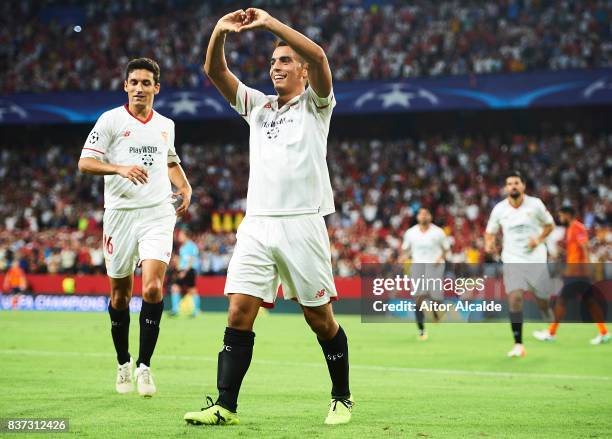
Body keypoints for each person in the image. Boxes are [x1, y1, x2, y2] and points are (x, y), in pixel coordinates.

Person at [184, 8, 352, 426]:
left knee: (319, 319)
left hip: (302, 222)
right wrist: (220, 32)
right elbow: (214, 70)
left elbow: (320, 57)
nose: (276, 66)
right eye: (273, 61)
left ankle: (341, 398)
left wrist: (269, 22)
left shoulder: (317, 105)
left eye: (285, 61)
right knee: (239, 312)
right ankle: (225, 405)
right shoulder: (257, 107)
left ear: (303, 72)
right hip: (257, 223)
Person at [78, 58, 192, 397]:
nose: (139, 88)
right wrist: (119, 168)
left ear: (157, 87)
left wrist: (185, 187)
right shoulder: (110, 120)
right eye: (134, 82)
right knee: (120, 295)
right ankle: (122, 363)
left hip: (157, 213)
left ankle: (144, 366)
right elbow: (85, 162)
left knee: (154, 289)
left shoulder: (165, 125)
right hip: (120, 215)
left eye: (146, 83)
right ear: (125, 86)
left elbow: (169, 160)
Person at [484, 171, 554, 358]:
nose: (513, 186)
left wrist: (538, 240)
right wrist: (489, 243)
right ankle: (518, 344)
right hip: (512, 259)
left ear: (523, 186)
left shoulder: (536, 205)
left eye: (516, 183)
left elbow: (550, 225)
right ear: (506, 188)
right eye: (509, 183)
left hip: (535, 259)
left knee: (542, 300)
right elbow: (490, 232)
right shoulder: (499, 209)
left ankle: (549, 320)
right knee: (514, 298)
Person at [533, 206, 609, 345]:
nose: (560, 218)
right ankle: (604, 332)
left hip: (577, 273)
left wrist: (586, 267)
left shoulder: (577, 227)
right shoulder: (571, 229)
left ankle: (551, 333)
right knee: (590, 302)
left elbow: (584, 246)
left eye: (561, 215)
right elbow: (575, 250)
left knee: (561, 301)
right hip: (576, 273)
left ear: (568, 215)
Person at [400, 207, 450, 340]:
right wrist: (404, 257)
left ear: (430, 217)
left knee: (436, 298)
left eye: (426, 214)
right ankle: (422, 331)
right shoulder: (411, 233)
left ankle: (435, 313)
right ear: (417, 217)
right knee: (418, 298)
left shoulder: (438, 232)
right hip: (418, 267)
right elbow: (406, 249)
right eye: (421, 214)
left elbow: (446, 248)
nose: (423, 216)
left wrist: (440, 257)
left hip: (435, 267)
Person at [170, 228, 201, 317]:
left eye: (181, 235)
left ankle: (196, 311)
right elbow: (182, 260)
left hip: (190, 270)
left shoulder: (192, 246)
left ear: (186, 236)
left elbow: (192, 259)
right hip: (182, 270)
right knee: (175, 287)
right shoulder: (182, 247)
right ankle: (175, 310)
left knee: (192, 290)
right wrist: (177, 266)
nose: (179, 237)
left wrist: (185, 271)